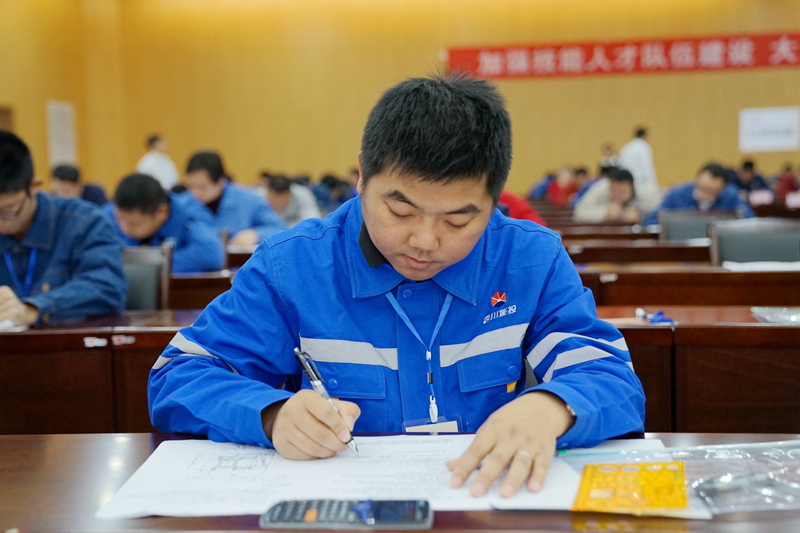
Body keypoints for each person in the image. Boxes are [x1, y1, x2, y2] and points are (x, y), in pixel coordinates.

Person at [148, 73, 644, 500]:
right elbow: (180, 374)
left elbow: (612, 379)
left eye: (458, 220)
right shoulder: (293, 267)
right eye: (400, 211)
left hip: (486, 505)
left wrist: (552, 407)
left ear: (495, 201)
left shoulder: (530, 260)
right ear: (363, 176)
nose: (425, 242)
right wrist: (272, 415)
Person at [0, 131, 126, 326]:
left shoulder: (85, 222)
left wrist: (32, 310)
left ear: (34, 186)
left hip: (70, 342)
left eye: (7, 211)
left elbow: (106, 288)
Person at [105, 173, 224, 273]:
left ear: (161, 212)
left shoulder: (188, 214)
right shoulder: (111, 211)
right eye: (118, 220)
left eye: (134, 224)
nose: (124, 229)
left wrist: (149, 265)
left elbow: (212, 253)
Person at [184, 151, 286, 246]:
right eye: (191, 186)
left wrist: (256, 235)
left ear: (220, 181)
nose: (195, 193)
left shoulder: (249, 201)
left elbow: (280, 229)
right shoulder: (184, 203)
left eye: (202, 187)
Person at [644, 163, 755, 225]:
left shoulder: (731, 196)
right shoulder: (677, 194)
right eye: (701, 187)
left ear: (722, 189)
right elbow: (651, 221)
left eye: (710, 191)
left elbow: (750, 220)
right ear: (696, 179)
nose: (703, 193)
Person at [574, 168, 661, 223]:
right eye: (615, 190)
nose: (619, 194)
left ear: (632, 189)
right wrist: (605, 212)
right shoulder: (600, 189)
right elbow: (579, 213)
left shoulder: (648, 193)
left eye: (623, 190)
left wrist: (641, 216)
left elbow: (661, 214)